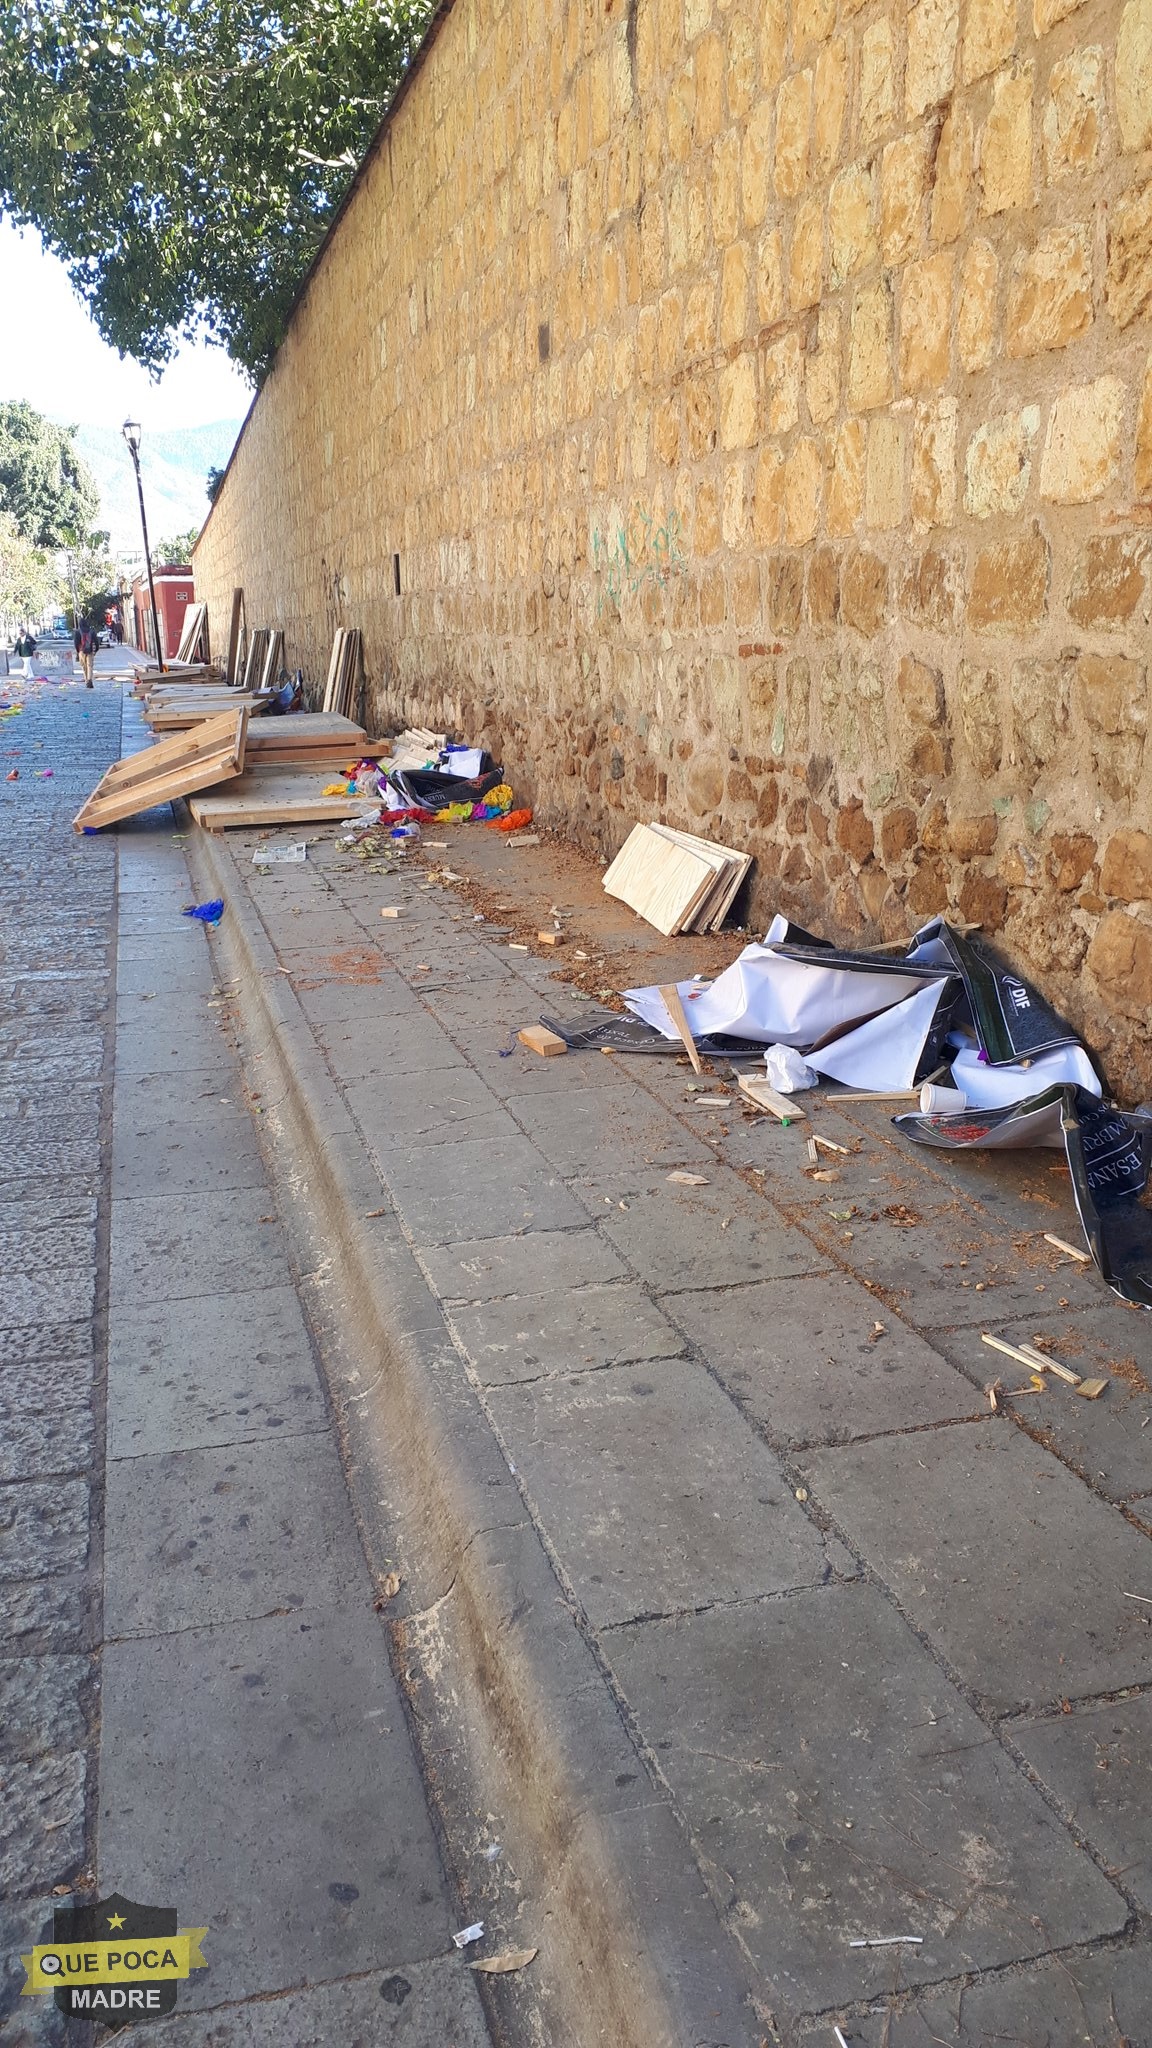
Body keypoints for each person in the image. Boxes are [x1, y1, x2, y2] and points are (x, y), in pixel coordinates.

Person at [74, 619, 99, 687]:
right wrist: (96, 649)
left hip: (81, 651)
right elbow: (96, 641)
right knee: (90, 666)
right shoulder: (91, 631)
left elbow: (76, 643)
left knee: (84, 666)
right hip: (90, 650)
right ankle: (89, 679)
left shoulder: (78, 632)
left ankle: (86, 680)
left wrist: (77, 651)